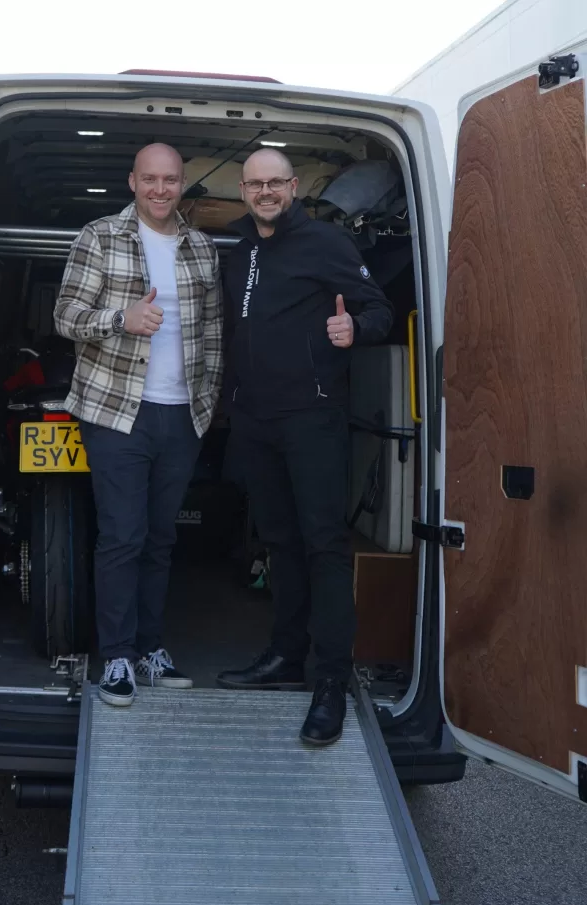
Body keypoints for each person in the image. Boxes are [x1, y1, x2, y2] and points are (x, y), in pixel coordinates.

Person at [216, 148, 394, 746]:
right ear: (243, 190)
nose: (265, 192)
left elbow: (380, 310)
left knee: (324, 547)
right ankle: (286, 656)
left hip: (312, 418)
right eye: (255, 184)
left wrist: (356, 329)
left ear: (292, 187)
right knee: (280, 543)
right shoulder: (240, 253)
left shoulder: (325, 245)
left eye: (276, 182)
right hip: (256, 422)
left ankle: (331, 683)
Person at [54, 143, 223, 708]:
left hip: (183, 414)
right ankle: (118, 658)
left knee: (160, 539)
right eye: (149, 179)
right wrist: (120, 319)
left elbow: (216, 333)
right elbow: (66, 317)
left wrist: (208, 403)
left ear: (182, 184)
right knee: (122, 538)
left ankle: (151, 649)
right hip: (117, 411)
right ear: (132, 181)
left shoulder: (200, 247)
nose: (159, 189)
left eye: (170, 180)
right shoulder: (99, 236)